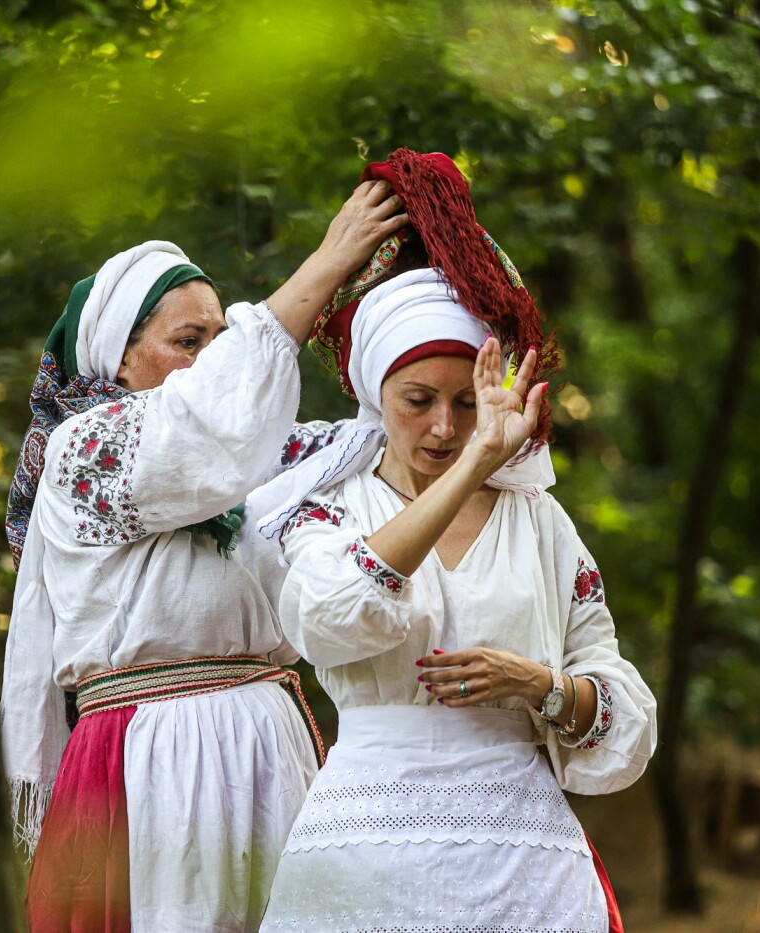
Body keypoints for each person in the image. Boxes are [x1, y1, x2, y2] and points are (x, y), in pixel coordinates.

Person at [245, 149, 657, 932]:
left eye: (468, 403)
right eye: (418, 399)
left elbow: (618, 701)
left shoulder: (540, 522)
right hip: (362, 853)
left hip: (523, 863)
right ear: (374, 392)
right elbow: (327, 622)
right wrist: (473, 466)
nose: (443, 426)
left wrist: (541, 684)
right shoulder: (328, 505)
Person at [0, 180, 408, 932]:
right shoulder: (81, 453)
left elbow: (390, 444)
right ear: (116, 361)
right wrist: (324, 265)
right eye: (190, 342)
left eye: (224, 341)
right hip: (147, 764)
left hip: (270, 748)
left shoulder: (266, 461)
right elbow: (203, 430)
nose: (216, 362)